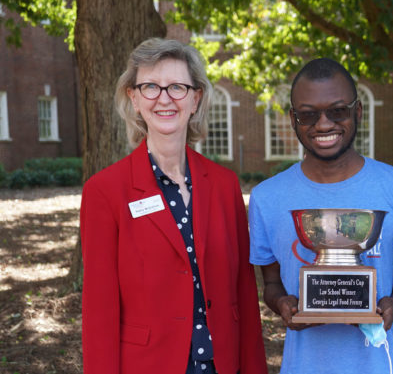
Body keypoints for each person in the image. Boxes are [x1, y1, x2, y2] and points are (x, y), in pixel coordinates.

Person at [80, 38, 267, 374]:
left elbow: (243, 291)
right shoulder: (105, 192)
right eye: (151, 86)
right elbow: (100, 310)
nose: (164, 98)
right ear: (134, 98)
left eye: (177, 87)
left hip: (222, 364)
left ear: (195, 99)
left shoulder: (224, 185)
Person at [248, 58, 393, 374]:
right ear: (293, 119)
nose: (324, 124)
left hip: (378, 365)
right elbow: (271, 284)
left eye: (338, 111)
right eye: (308, 114)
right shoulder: (267, 197)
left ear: (357, 112)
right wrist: (284, 306)